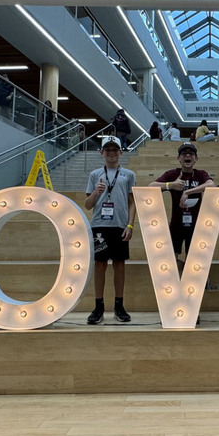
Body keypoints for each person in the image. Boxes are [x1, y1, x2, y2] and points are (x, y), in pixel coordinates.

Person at [83, 137, 137, 325]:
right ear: (102, 153)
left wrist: (130, 224)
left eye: (115, 149)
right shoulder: (95, 174)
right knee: (100, 265)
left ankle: (119, 306)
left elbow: (132, 202)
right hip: (99, 225)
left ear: (121, 152)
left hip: (120, 225)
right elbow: (87, 205)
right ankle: (98, 306)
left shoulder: (129, 175)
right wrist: (96, 192)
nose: (111, 153)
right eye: (108, 150)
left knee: (120, 265)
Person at [150, 142, 215, 274]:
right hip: (176, 225)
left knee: (194, 261)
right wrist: (170, 185)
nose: (187, 156)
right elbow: (151, 186)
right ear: (178, 158)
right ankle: (180, 272)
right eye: (184, 154)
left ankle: (190, 276)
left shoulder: (200, 174)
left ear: (196, 158)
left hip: (196, 225)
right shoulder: (172, 174)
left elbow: (211, 185)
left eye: (191, 154)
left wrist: (188, 192)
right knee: (170, 261)